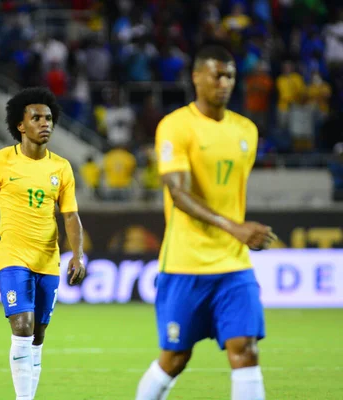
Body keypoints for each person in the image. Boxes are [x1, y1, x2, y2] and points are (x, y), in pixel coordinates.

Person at [135, 45, 278, 400]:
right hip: (186, 263)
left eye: (230, 75)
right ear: (197, 77)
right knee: (176, 357)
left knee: (245, 350)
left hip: (233, 264)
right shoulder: (175, 126)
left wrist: (235, 235)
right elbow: (178, 195)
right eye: (217, 74)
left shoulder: (247, 130)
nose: (224, 82)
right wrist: (236, 228)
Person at [0, 87, 87, 400]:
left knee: (38, 334)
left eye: (48, 118)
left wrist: (78, 255)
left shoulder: (61, 168)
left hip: (48, 259)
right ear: (21, 125)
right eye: (37, 118)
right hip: (13, 258)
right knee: (22, 327)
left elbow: (71, 216)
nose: (45, 123)